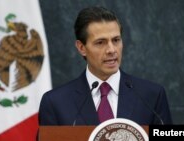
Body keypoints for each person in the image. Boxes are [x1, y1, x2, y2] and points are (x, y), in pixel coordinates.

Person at [38, 6, 172, 126]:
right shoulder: (55, 103)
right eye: (100, 42)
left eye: (116, 40)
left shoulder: (151, 96)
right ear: (81, 47)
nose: (111, 50)